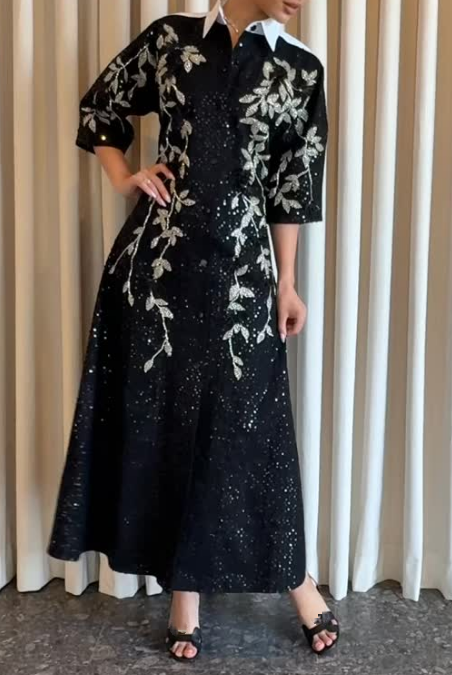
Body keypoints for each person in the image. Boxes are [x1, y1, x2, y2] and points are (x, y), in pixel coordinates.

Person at [47, 0, 339, 661]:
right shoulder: (171, 41)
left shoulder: (300, 70)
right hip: (160, 273)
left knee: (252, 430)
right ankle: (184, 592)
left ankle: (297, 580)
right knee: (171, 423)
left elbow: (290, 189)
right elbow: (102, 109)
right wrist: (125, 176)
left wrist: (287, 282)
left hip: (243, 280)